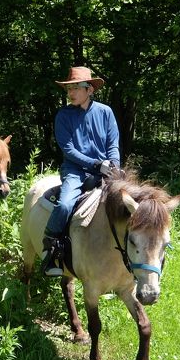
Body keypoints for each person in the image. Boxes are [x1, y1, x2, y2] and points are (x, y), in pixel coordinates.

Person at [41, 66, 121, 276]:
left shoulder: (106, 112)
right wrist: (96, 164)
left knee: (128, 203)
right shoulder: (63, 115)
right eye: (69, 89)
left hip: (105, 170)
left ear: (90, 90)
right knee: (66, 203)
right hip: (75, 170)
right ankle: (50, 249)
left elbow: (113, 144)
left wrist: (114, 165)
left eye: (76, 88)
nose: (71, 92)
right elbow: (68, 150)